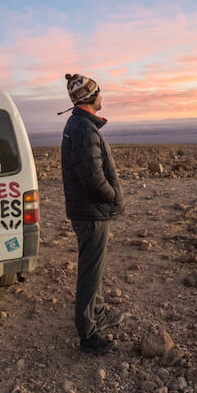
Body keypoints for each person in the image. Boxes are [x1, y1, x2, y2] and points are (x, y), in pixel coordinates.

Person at [60, 73, 125, 355]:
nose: (102, 97)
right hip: (90, 213)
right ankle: (88, 334)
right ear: (90, 97)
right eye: (99, 93)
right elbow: (93, 180)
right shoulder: (84, 130)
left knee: (95, 270)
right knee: (89, 272)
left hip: (89, 211)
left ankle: (97, 313)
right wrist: (114, 195)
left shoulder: (80, 125)